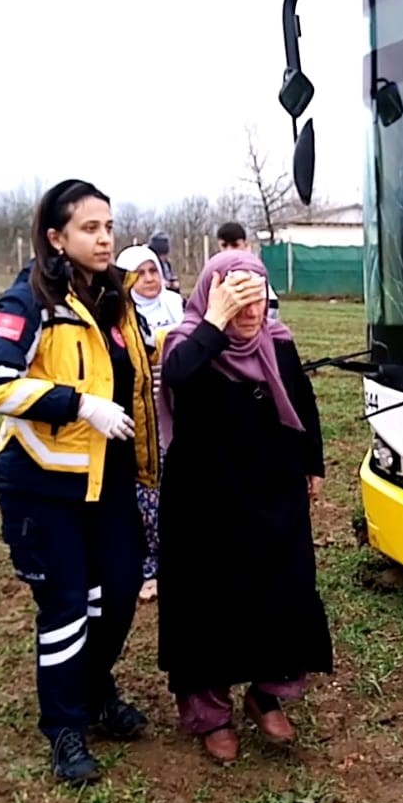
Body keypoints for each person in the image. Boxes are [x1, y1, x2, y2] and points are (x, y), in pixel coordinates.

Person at [0, 178, 157, 785]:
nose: (104, 239)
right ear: (56, 237)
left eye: (108, 227)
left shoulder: (115, 298)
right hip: (42, 484)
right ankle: (65, 728)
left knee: (122, 590)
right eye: (89, 228)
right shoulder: (29, 299)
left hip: (108, 479)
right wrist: (77, 405)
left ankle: (94, 689)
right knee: (66, 607)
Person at [155, 249, 332, 763]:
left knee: (285, 590)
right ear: (212, 295)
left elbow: (303, 403)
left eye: (259, 298)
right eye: (239, 299)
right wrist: (215, 320)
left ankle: (267, 694)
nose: (252, 312)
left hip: (272, 490)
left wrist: (312, 464)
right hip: (204, 498)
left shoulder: (277, 342)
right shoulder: (188, 343)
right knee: (208, 602)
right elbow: (180, 380)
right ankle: (210, 714)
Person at [113, 244, 185, 603]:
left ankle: (179, 555)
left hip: (174, 408)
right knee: (146, 490)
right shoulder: (117, 314)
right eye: (139, 273)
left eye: (153, 270)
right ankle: (150, 564)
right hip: (137, 415)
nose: (149, 279)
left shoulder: (175, 306)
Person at [217, 221, 279, 319]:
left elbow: (272, 310)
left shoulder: (254, 274)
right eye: (224, 246)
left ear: (246, 246)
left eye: (235, 245)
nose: (229, 251)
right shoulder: (216, 274)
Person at [148, 229, 182, 295]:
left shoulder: (167, 264)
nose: (164, 257)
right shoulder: (148, 264)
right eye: (161, 255)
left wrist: (174, 286)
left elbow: (171, 277)